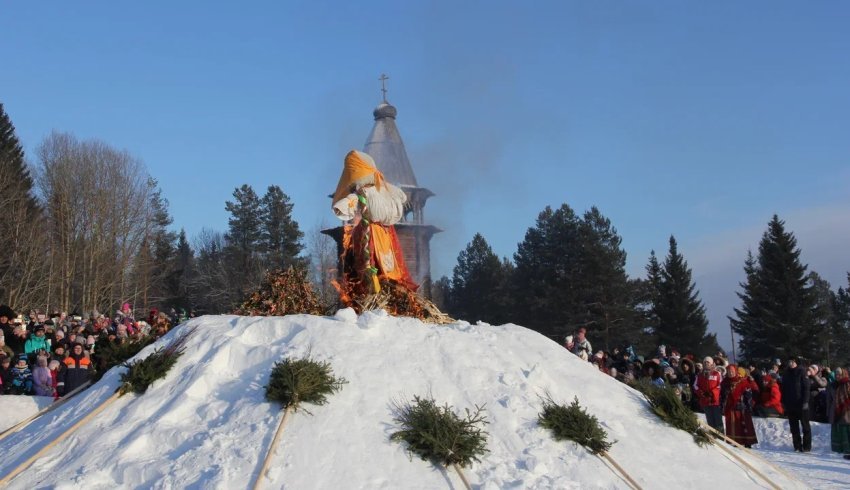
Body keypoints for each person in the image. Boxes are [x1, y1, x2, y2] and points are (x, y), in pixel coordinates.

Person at [781, 357, 812, 452]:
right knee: (794, 428)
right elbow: (783, 389)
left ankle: (806, 446)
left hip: (801, 403)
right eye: (789, 361)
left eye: (792, 361)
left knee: (805, 426)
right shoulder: (786, 374)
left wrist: (806, 401)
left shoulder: (802, 372)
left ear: (796, 363)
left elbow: (806, 388)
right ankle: (797, 446)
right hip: (790, 404)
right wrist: (784, 403)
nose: (790, 363)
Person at [724, 366, 759, 448]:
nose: (730, 373)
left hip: (743, 407)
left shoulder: (744, 382)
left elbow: (752, 393)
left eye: (732, 371)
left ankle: (747, 443)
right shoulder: (725, 382)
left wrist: (748, 404)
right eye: (729, 371)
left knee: (745, 426)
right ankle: (736, 442)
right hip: (731, 407)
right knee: (735, 427)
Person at [696, 356, 724, 434]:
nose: (706, 364)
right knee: (710, 420)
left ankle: (721, 437)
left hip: (715, 401)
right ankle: (713, 437)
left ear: (711, 364)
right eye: (704, 362)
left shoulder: (717, 373)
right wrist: (701, 393)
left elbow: (720, 385)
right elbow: (695, 386)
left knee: (718, 420)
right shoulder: (700, 375)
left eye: (708, 362)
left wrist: (712, 393)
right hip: (705, 401)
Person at [827, 367, 850, 460]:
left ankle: (848, 451)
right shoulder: (832, 385)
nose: (837, 376)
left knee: (847, 431)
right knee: (839, 431)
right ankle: (842, 450)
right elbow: (828, 399)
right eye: (836, 374)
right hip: (835, 410)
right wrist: (828, 412)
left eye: (839, 374)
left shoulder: (848, 383)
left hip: (847, 411)